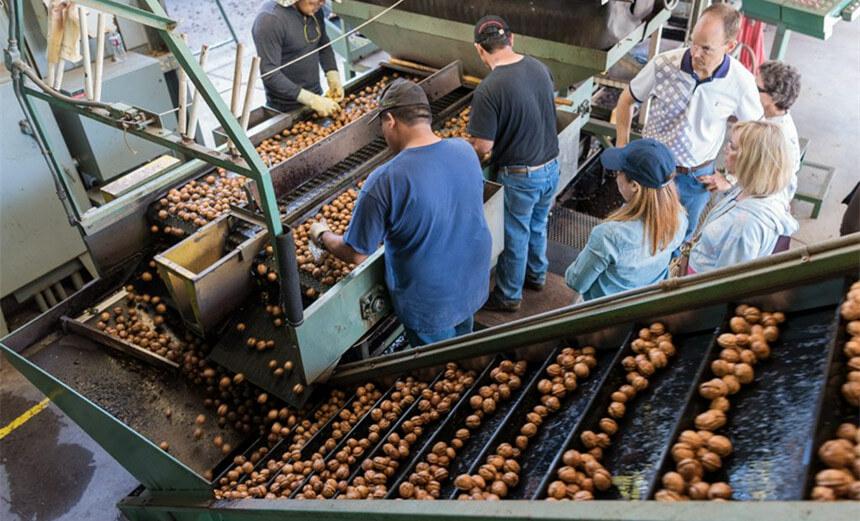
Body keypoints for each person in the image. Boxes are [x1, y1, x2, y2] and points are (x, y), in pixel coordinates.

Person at [309, 80, 492, 347]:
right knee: (464, 344)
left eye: (382, 125)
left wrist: (322, 235)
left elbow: (357, 251)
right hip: (472, 280)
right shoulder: (465, 150)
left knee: (442, 368)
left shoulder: (384, 181)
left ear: (391, 120)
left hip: (431, 301)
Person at [614, 3, 763, 244]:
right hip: (651, 172)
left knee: (680, 241)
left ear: (729, 46)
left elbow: (755, 134)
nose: (695, 53)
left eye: (706, 49)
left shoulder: (740, 83)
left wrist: (730, 177)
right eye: (694, 43)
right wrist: (622, 148)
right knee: (634, 237)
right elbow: (626, 101)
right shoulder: (664, 65)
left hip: (696, 179)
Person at [467, 15, 560, 312]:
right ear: (512, 39)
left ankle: (508, 296)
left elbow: (483, 146)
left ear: (479, 50)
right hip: (551, 165)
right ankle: (537, 276)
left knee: (515, 235)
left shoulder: (488, 90)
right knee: (537, 224)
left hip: (522, 176)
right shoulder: (539, 67)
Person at [565, 139, 687, 301]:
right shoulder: (680, 218)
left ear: (635, 186)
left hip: (601, 311)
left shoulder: (609, 235)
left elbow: (576, 282)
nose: (616, 177)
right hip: (642, 302)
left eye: (618, 172)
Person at [688, 121, 799, 273]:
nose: (726, 149)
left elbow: (723, 283)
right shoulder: (755, 188)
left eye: (733, 147)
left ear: (752, 161)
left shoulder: (744, 227)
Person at [702, 60, 802, 206]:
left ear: (774, 97)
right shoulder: (768, 114)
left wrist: (729, 180)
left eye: (757, 88)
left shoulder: (774, 138)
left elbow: (760, 178)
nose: (751, 89)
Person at [252, 0, 343, 116]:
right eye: (313, 3)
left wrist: (332, 73)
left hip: (315, 96)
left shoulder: (315, 9)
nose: (319, 6)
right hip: (285, 109)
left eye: (322, 2)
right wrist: (310, 99)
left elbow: (322, 43)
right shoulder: (269, 20)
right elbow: (270, 74)